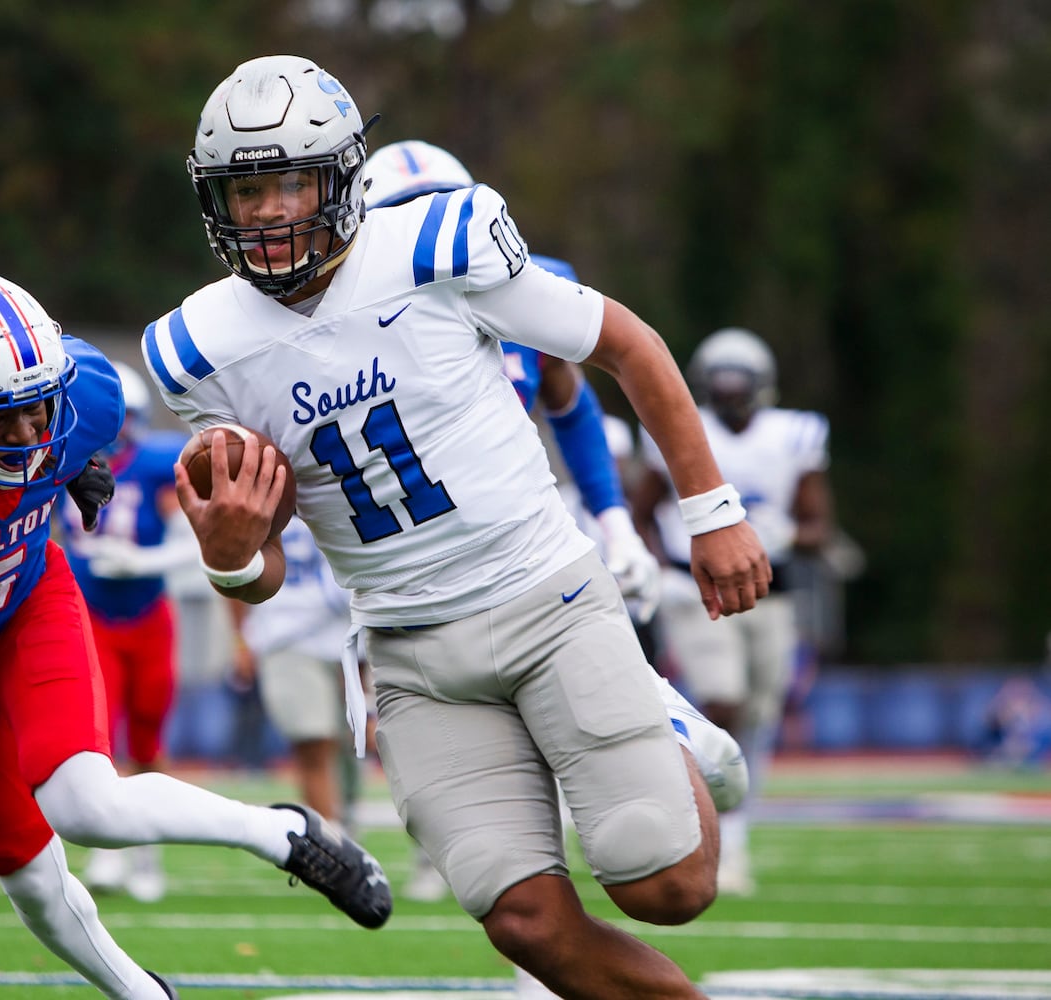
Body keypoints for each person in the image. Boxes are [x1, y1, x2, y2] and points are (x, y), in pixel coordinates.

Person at [144, 55, 765, 999]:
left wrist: (711, 512)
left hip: (546, 597)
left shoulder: (439, 243)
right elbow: (258, 557)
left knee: (667, 883)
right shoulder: (197, 349)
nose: (268, 211)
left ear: (343, 179)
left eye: (290, 182)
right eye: (245, 189)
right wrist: (232, 564)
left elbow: (623, 345)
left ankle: (667, 722)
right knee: (521, 920)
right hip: (408, 650)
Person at [0, 271, 391, 1000]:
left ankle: (282, 833)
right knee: (29, 877)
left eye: (38, 409)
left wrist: (75, 466)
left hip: (31, 607)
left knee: (86, 805)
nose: (30, 434)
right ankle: (141, 993)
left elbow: (56, 437)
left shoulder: (81, 392)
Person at [362, 138, 664, 907]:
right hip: (405, 564)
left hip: (523, 545)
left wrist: (614, 520)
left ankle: (673, 732)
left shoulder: (523, 285)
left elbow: (567, 397)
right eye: (402, 216)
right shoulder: (347, 318)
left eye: (436, 211)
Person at [632, 327, 833, 897]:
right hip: (697, 590)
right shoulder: (679, 425)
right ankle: (706, 827)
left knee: (761, 718)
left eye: (737, 384)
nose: (728, 394)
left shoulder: (795, 435)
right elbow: (642, 511)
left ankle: (737, 836)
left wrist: (787, 531)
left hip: (774, 591)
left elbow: (820, 524)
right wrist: (656, 567)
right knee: (724, 699)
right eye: (719, 384)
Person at [57, 360, 193, 903]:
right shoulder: (52, 463)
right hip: (90, 617)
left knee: (148, 740)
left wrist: (142, 562)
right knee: (98, 740)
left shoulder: (157, 463)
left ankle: (146, 856)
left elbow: (200, 538)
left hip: (147, 615)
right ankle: (107, 853)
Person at [228, 516, 359, 827]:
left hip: (353, 626)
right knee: (312, 742)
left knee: (362, 743)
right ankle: (336, 847)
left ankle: (349, 824)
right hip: (286, 633)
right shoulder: (256, 478)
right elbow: (228, 565)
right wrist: (241, 638)